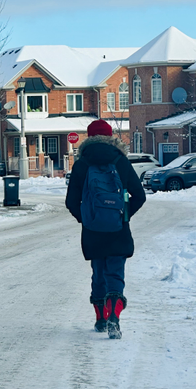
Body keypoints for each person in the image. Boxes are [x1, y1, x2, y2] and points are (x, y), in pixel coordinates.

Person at [65, 119, 146, 339]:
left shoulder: (82, 164)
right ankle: (114, 317)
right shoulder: (121, 161)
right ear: (110, 137)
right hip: (118, 228)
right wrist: (123, 216)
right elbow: (140, 196)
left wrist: (87, 218)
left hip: (93, 230)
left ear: (89, 137)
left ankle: (101, 319)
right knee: (115, 273)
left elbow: (71, 201)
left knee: (98, 272)